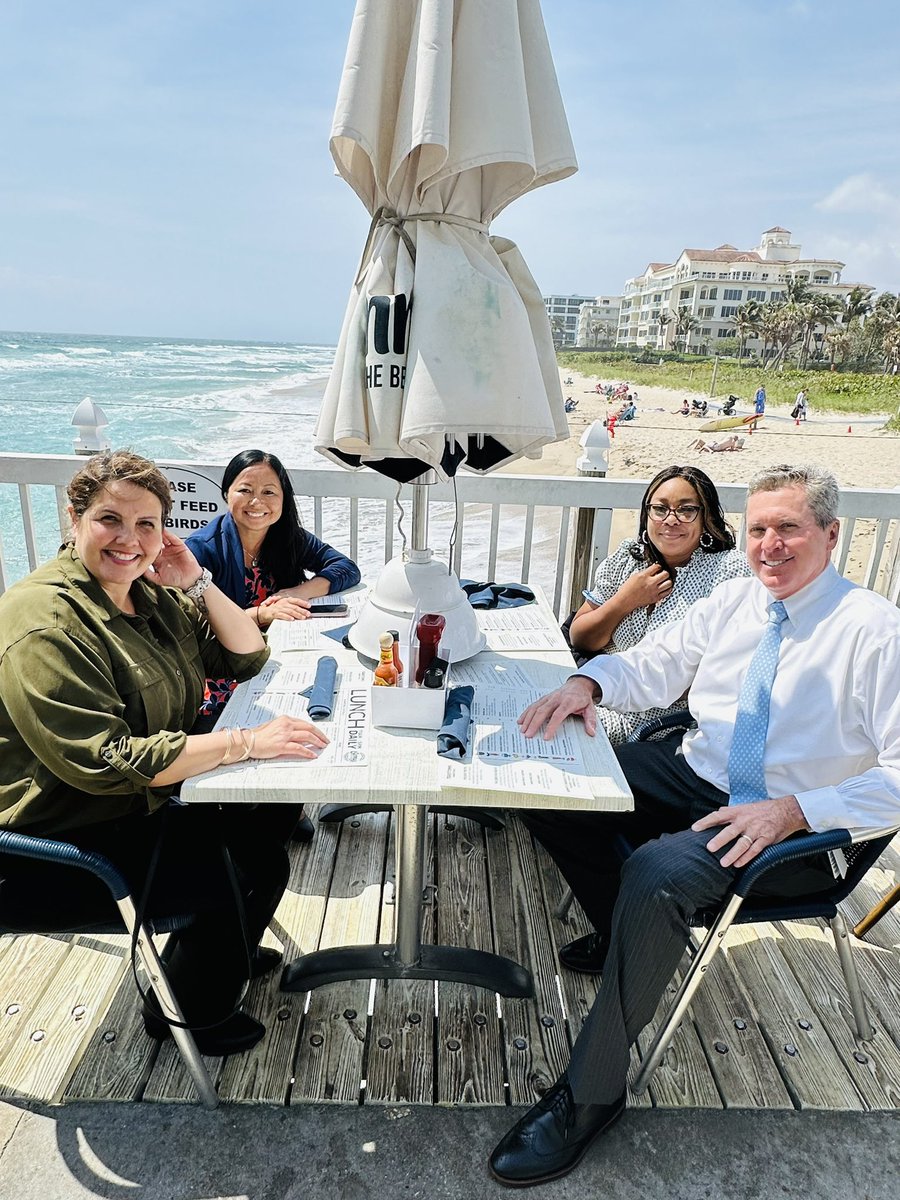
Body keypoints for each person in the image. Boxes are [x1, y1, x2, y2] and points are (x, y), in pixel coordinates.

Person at [489, 463, 900, 1186]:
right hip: (695, 774)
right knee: (546, 777)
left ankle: (591, 1095)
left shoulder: (875, 631)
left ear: (830, 535)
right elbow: (652, 665)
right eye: (761, 528)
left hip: (792, 825)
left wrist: (796, 810)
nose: (770, 545)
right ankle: (635, 940)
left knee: (655, 875)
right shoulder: (738, 601)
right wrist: (587, 682)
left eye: (790, 529)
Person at [0, 450, 330, 1056]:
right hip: (55, 839)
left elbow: (244, 655)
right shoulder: (46, 620)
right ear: (74, 519)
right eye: (110, 521)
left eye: (147, 524)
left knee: (270, 817)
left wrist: (198, 581)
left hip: (136, 803)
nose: (130, 539)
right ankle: (188, 1016)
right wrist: (245, 743)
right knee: (240, 867)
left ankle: (207, 957)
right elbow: (106, 761)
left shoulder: (142, 593)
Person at [567, 466, 749, 742]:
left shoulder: (729, 571)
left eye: (686, 510)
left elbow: (714, 674)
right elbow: (580, 638)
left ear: (706, 518)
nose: (671, 520)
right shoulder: (629, 558)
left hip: (660, 722)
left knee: (554, 729)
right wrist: (625, 601)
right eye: (660, 509)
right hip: (598, 690)